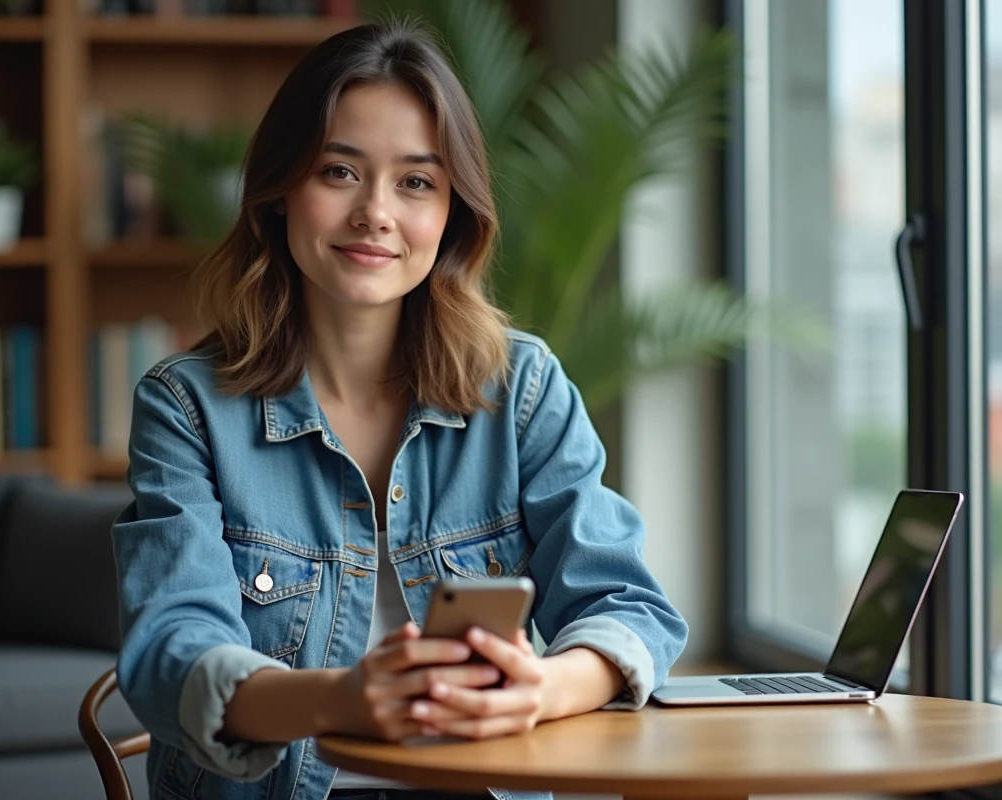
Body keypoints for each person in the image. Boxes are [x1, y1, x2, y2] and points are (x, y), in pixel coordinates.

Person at [111, 18, 688, 800]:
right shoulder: (186, 406)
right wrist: (342, 701)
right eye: (339, 172)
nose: (376, 213)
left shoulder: (521, 389)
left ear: (454, 209)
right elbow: (171, 650)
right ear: (280, 191)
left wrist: (541, 689)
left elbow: (626, 604)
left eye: (416, 181)